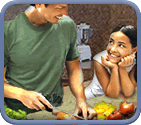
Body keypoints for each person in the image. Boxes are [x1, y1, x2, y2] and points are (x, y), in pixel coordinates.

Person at [4, 4, 96, 119]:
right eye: (59, 8)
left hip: (54, 111)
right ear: (39, 4)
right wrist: (22, 94)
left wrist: (81, 100)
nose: (65, 13)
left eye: (66, 7)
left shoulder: (66, 25)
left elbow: (74, 69)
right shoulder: (7, 31)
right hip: (15, 114)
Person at [85, 24, 137, 99]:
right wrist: (114, 68)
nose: (112, 49)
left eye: (121, 45)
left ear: (134, 50)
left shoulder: (135, 62)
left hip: (119, 99)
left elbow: (128, 92)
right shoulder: (100, 60)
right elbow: (112, 94)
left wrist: (122, 69)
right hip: (94, 97)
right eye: (111, 42)